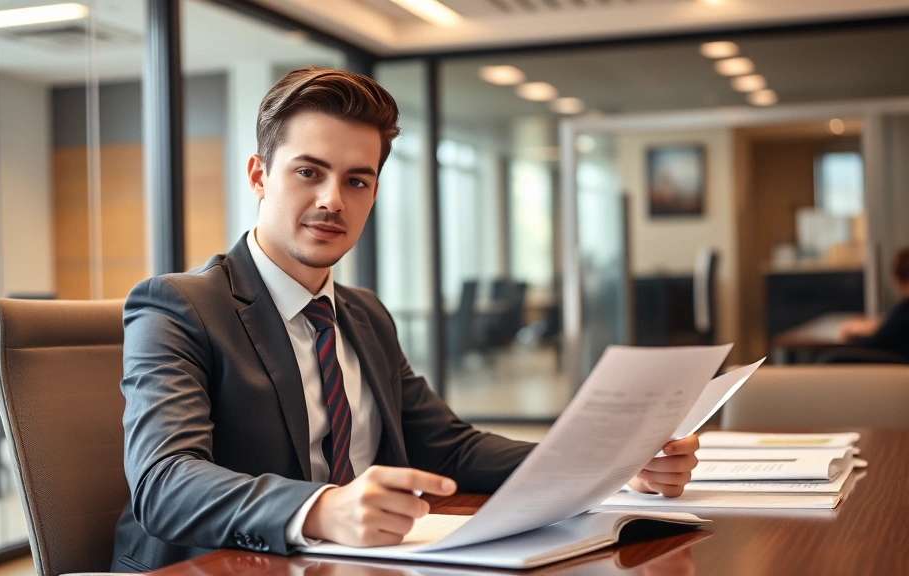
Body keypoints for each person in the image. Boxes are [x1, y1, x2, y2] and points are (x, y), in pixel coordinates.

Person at [109, 67, 701, 572]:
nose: (332, 200)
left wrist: (613, 465)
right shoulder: (179, 306)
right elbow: (165, 481)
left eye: (356, 180)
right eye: (309, 172)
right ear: (260, 175)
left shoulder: (363, 314)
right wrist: (320, 509)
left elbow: (450, 449)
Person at [838, 247, 909, 360]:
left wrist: (851, 336)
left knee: (830, 359)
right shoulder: (903, 311)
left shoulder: (905, 308)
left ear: (898, 278)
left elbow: (874, 343)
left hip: (896, 364)